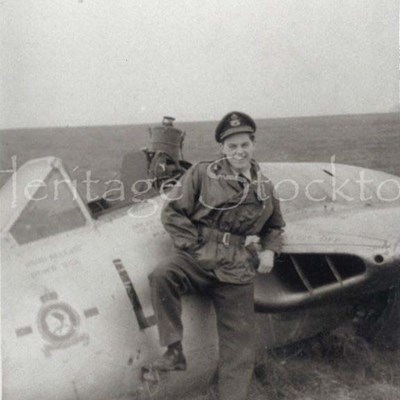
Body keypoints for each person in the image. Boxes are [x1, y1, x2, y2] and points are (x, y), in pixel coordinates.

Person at [148, 111, 285, 400]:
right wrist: (194, 248)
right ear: (222, 148)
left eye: (244, 145)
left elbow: (274, 226)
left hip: (237, 266)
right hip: (198, 257)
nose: (238, 152)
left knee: (238, 348)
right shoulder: (201, 173)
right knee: (162, 275)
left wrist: (270, 251)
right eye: (232, 146)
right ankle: (174, 350)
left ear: (253, 145)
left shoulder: (265, 186)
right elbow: (172, 213)